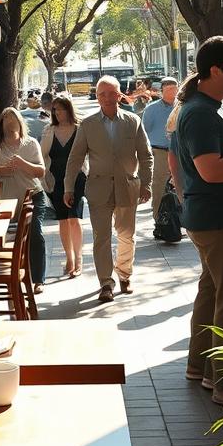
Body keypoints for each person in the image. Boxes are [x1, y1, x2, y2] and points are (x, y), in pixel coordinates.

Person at [173, 36, 223, 406]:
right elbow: (211, 170)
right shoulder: (201, 111)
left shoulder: (210, 106)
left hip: (216, 217)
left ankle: (201, 366)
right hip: (222, 220)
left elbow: (180, 165)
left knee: (213, 292)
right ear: (215, 71)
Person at [64, 75, 153, 303]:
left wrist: (146, 183)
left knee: (126, 235)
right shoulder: (88, 124)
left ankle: (124, 273)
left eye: (111, 93)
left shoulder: (132, 121)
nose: (107, 98)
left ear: (119, 94)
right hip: (98, 188)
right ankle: (106, 282)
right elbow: (75, 158)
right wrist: (68, 188)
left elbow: (145, 155)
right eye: (102, 94)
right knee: (101, 237)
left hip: (127, 187)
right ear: (97, 97)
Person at [0, 107, 49, 291]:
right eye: (6, 121)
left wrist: (22, 163)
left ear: (20, 123)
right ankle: (6, 272)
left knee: (35, 233)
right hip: (6, 201)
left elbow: (40, 171)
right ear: (0, 125)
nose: (10, 125)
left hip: (32, 196)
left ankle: (38, 279)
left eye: (13, 120)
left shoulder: (30, 143)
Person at [41, 94, 85, 278]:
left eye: (60, 108)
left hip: (77, 178)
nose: (57, 112)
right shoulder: (49, 130)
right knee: (63, 220)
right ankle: (69, 258)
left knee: (74, 218)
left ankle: (79, 258)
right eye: (55, 109)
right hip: (57, 180)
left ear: (69, 109)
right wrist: (44, 177)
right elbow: (41, 155)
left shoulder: (80, 129)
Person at [143, 77, 179, 215]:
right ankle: (158, 218)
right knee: (159, 186)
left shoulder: (182, 107)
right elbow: (144, 132)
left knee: (181, 185)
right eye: (168, 89)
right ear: (161, 90)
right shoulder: (151, 109)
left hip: (180, 152)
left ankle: (181, 220)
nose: (172, 91)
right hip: (160, 152)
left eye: (174, 88)